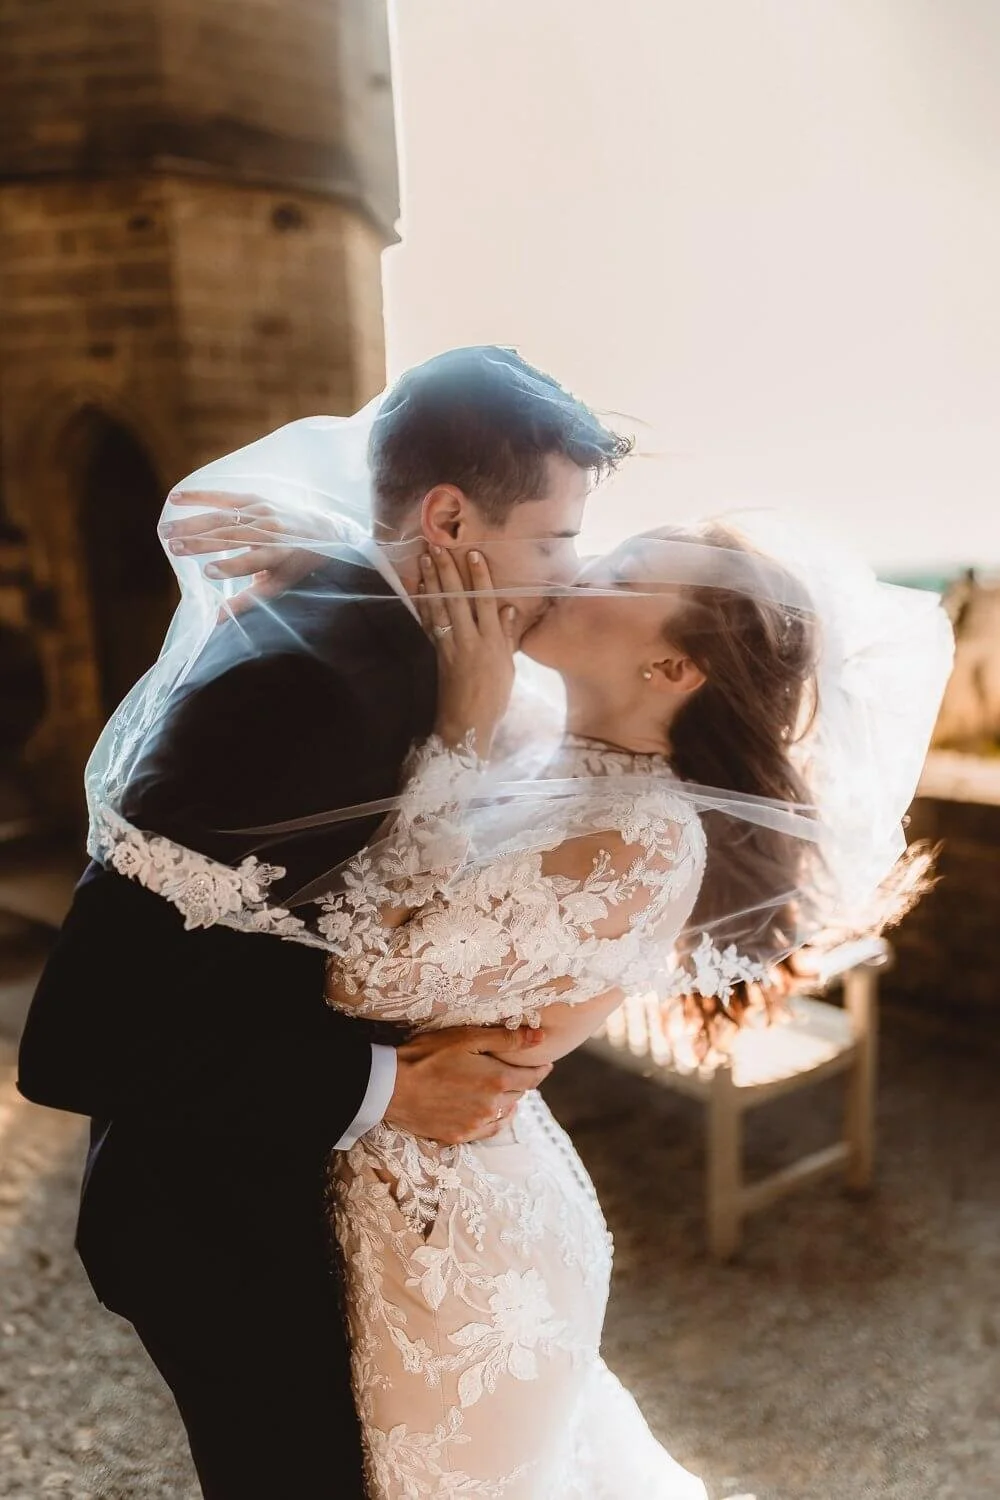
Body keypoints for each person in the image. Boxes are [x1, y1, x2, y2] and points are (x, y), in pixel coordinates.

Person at [77, 485, 952, 1495]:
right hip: (383, 1187)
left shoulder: (646, 836)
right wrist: (335, 559)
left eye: (620, 576)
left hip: (448, 1243)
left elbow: (357, 966)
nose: (576, 571)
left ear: (669, 669)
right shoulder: (547, 739)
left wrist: (459, 723)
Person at [16, 346, 630, 1500]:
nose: (569, 570)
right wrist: (392, 1089)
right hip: (223, 1226)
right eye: (553, 538)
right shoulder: (305, 691)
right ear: (450, 516)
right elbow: (76, 1038)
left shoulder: (403, 634)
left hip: (306, 1189)